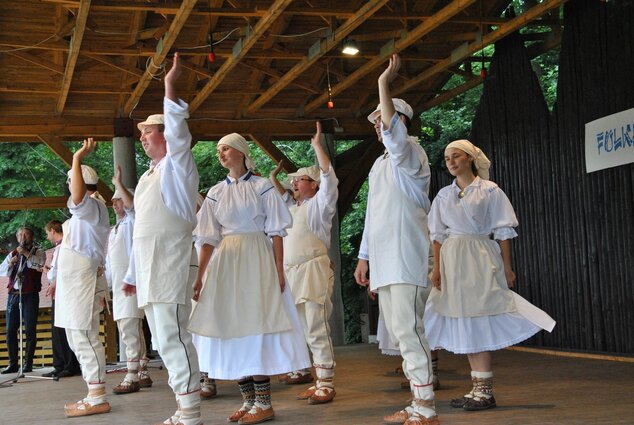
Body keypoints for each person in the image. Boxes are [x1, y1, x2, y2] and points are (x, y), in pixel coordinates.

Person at [188, 133, 310, 425]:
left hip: (256, 257)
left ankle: (264, 402)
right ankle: (248, 400)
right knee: (231, 326)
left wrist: (279, 270)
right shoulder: (216, 192)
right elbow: (207, 239)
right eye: (218, 150)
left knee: (257, 325)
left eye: (226, 148)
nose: (221, 154)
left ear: (241, 152)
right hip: (226, 261)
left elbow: (277, 232)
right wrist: (200, 277)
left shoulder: (263, 187)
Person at [425, 139, 556, 411]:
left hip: (480, 257)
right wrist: (436, 268)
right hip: (453, 260)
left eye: (456, 156)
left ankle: (485, 391)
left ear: (470, 158)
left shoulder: (489, 191)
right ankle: (478, 389)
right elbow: (437, 235)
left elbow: (504, 232)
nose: (450, 161)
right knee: (464, 318)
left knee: (480, 316)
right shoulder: (443, 196)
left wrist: (507, 268)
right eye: (447, 157)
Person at [354, 53, 438, 425]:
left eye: (383, 120)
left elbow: (396, 140)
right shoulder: (379, 164)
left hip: (407, 256)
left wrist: (382, 84)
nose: (378, 126)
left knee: (410, 330)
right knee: (402, 334)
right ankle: (418, 401)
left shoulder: (411, 154)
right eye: (375, 122)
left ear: (400, 122)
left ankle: (426, 407)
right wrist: (364, 258)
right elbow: (373, 215)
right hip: (386, 258)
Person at [122, 52, 202, 425]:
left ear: (165, 134)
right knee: (162, 339)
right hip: (151, 267)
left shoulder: (178, 167)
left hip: (171, 261)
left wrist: (169, 87)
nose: (141, 137)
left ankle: (191, 414)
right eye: (139, 133)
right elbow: (141, 230)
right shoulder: (147, 177)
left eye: (147, 131)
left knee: (174, 336)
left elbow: (180, 137)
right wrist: (131, 275)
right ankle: (183, 406)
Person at [277, 122, 339, 404]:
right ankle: (316, 379)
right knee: (302, 328)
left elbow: (329, 178)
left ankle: (326, 381)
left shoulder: (319, 206)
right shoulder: (293, 209)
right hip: (293, 274)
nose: (295, 183)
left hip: (313, 269)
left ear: (313, 184)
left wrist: (317, 146)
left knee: (316, 325)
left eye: (300, 179)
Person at [55, 140, 111, 417]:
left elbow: (78, 197)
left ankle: (98, 395)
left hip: (83, 280)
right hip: (73, 282)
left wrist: (76, 158)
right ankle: (93, 391)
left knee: (85, 335)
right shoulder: (84, 213)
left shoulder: (92, 207)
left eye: (71, 180)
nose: (68, 186)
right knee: (76, 337)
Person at [105, 167, 152, 394]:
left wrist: (120, 185)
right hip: (119, 284)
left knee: (129, 325)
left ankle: (133, 373)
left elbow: (133, 211)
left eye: (119, 200)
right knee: (130, 325)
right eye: (113, 201)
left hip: (130, 281)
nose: (115, 204)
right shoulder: (116, 228)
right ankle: (141, 369)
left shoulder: (133, 221)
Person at [0, 226, 46, 374]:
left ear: (31, 237)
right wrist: (11, 263)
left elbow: (39, 265)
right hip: (14, 294)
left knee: (30, 330)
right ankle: (13, 363)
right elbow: (2, 271)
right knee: (10, 330)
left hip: (30, 295)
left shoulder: (38, 251)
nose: (23, 238)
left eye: (26, 235)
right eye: (20, 235)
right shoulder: (13, 253)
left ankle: (28, 363)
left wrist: (26, 253)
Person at [41, 220, 80, 378]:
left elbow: (64, 269)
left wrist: (54, 281)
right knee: (57, 330)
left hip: (64, 292)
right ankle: (60, 364)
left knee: (64, 330)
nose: (47, 236)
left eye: (47, 233)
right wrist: (49, 273)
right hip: (58, 292)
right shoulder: (59, 247)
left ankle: (70, 364)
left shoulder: (66, 246)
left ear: (52, 230)